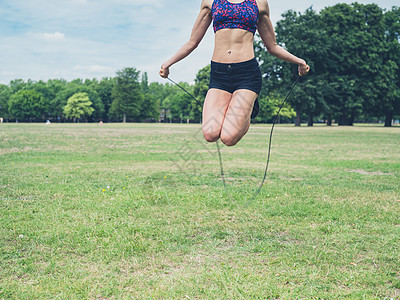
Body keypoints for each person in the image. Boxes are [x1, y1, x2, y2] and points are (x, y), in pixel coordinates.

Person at [160, 0, 310, 146]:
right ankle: (243, 108)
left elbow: (272, 46)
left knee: (228, 138)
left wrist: (299, 61)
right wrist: (168, 63)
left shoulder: (259, 3)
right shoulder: (210, 2)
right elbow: (192, 41)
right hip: (219, 74)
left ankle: (249, 107)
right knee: (210, 134)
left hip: (247, 74)